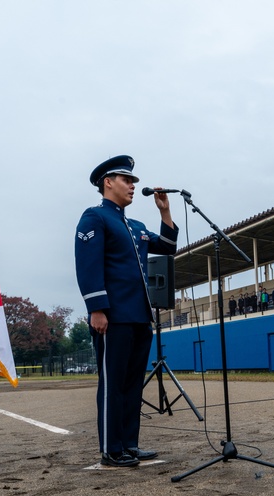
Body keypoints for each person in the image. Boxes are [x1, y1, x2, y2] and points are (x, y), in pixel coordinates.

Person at [75, 155, 178, 467]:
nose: (133, 185)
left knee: (133, 385)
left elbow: (168, 247)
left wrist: (165, 210)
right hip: (113, 316)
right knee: (113, 384)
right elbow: (88, 266)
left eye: (133, 180)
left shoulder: (135, 226)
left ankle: (129, 445)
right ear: (108, 182)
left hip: (138, 315)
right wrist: (96, 309)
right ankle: (111, 448)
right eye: (127, 180)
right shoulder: (95, 218)